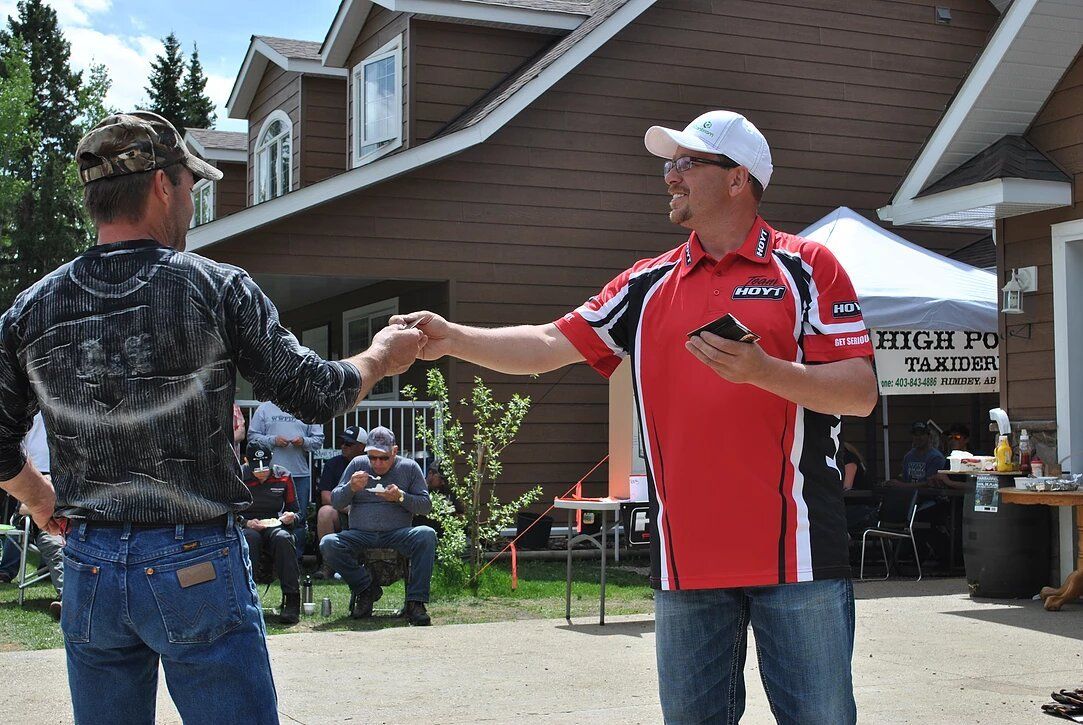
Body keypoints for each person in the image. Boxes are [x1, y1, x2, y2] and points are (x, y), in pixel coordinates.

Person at [394, 110, 878, 723]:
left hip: (800, 558)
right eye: (668, 165)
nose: (669, 177)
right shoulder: (645, 284)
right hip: (685, 563)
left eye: (686, 163)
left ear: (737, 180)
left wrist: (764, 372)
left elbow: (860, 392)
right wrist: (453, 337)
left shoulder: (809, 266)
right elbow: (548, 344)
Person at [0, 110, 424, 724]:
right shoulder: (216, 288)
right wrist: (382, 355)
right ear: (162, 185)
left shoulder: (31, 310)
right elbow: (313, 392)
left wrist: (40, 502)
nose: (192, 201)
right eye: (190, 184)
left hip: (88, 563)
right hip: (192, 559)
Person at [320, 426, 436, 626]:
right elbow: (336, 502)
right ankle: (366, 589)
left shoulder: (409, 468)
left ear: (394, 451)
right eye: (372, 457)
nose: (377, 463)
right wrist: (350, 488)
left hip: (398, 533)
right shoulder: (357, 464)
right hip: (360, 533)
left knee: (426, 534)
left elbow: (426, 506)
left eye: (383, 458)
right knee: (328, 543)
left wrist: (401, 497)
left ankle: (416, 602)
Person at [248, 401, 324, 563]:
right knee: (269, 517)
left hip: (299, 473)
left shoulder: (308, 407)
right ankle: (269, 561)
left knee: (297, 518)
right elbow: (252, 438)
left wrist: (303, 441)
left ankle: (294, 560)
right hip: (269, 475)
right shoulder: (264, 408)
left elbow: (318, 439)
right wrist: (273, 440)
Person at [239, 440, 301, 624]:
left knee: (283, 539)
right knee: (250, 539)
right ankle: (247, 600)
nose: (261, 473)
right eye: (256, 469)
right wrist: (245, 522)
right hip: (247, 524)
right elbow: (227, 511)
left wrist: (292, 518)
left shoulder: (283, 476)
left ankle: (291, 599)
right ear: (246, 461)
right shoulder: (239, 477)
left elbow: (297, 511)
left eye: (265, 468)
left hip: (275, 523)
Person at [313, 425, 367, 578]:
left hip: (369, 513)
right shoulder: (333, 464)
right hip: (343, 511)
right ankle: (328, 564)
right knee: (325, 512)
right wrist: (348, 509)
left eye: (348, 443)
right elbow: (325, 497)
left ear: (362, 447)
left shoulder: (373, 463)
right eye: (342, 442)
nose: (343, 446)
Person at [413, 455, 464, 535]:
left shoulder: (449, 492)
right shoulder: (419, 491)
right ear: (430, 474)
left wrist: (453, 516)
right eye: (441, 479)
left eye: (446, 480)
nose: (443, 483)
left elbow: (461, 515)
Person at [889, 421, 947, 487]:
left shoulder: (936, 457)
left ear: (928, 436)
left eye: (921, 434)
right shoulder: (908, 456)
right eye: (915, 434)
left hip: (928, 496)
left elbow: (930, 483)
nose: (918, 437)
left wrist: (902, 485)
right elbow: (904, 477)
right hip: (908, 495)